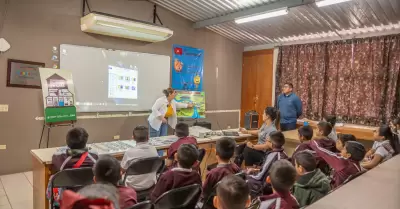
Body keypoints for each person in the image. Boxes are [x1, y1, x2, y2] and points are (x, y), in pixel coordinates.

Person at [48, 127, 98, 208]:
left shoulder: (61, 158)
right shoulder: (94, 156)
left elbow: (55, 157)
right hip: (88, 195)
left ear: (67, 142)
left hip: (67, 197)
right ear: (85, 141)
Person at [247, 131, 288, 197]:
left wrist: (248, 175)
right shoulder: (285, 154)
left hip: (267, 186)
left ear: (272, 144)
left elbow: (259, 177)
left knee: (244, 179)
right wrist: (255, 170)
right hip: (279, 183)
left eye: (267, 141)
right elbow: (267, 169)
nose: (266, 142)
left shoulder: (272, 156)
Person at [203, 138, 241, 207]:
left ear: (216, 152)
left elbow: (204, 193)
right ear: (233, 154)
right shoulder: (236, 168)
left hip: (214, 204)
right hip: (230, 202)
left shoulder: (212, 173)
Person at [120, 126, 158, 191]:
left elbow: (123, 169)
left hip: (131, 184)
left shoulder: (129, 152)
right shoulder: (153, 149)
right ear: (148, 137)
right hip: (150, 183)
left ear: (133, 138)